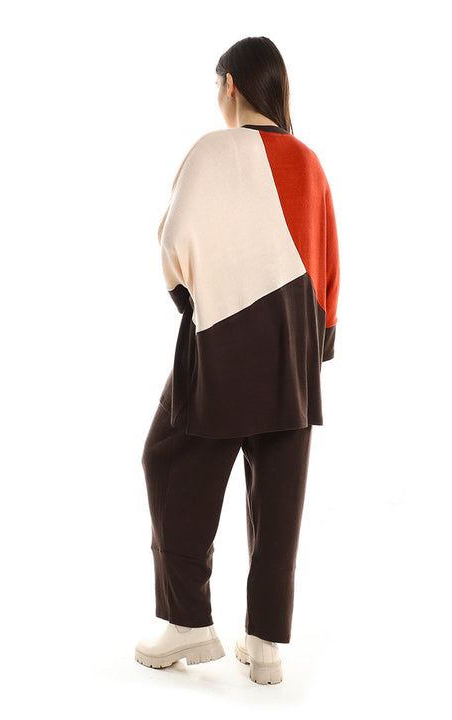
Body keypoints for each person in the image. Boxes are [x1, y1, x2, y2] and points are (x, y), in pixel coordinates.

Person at [135, 36, 340, 685]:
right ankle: (266, 643)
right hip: (296, 350)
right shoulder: (309, 162)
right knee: (278, 492)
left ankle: (189, 622)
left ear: (230, 85)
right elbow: (329, 261)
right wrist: (318, 345)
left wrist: (189, 304)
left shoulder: (212, 150)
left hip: (222, 339)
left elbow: (173, 245)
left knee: (168, 460)